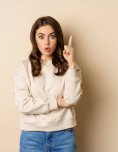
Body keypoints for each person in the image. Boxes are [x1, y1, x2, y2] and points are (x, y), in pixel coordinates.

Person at [13, 16, 82, 152]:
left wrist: (71, 63)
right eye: (41, 36)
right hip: (32, 137)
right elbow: (23, 104)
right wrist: (57, 102)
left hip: (63, 135)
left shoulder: (70, 67)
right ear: (34, 39)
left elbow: (72, 99)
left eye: (52, 36)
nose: (47, 42)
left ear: (58, 38)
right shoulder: (23, 67)